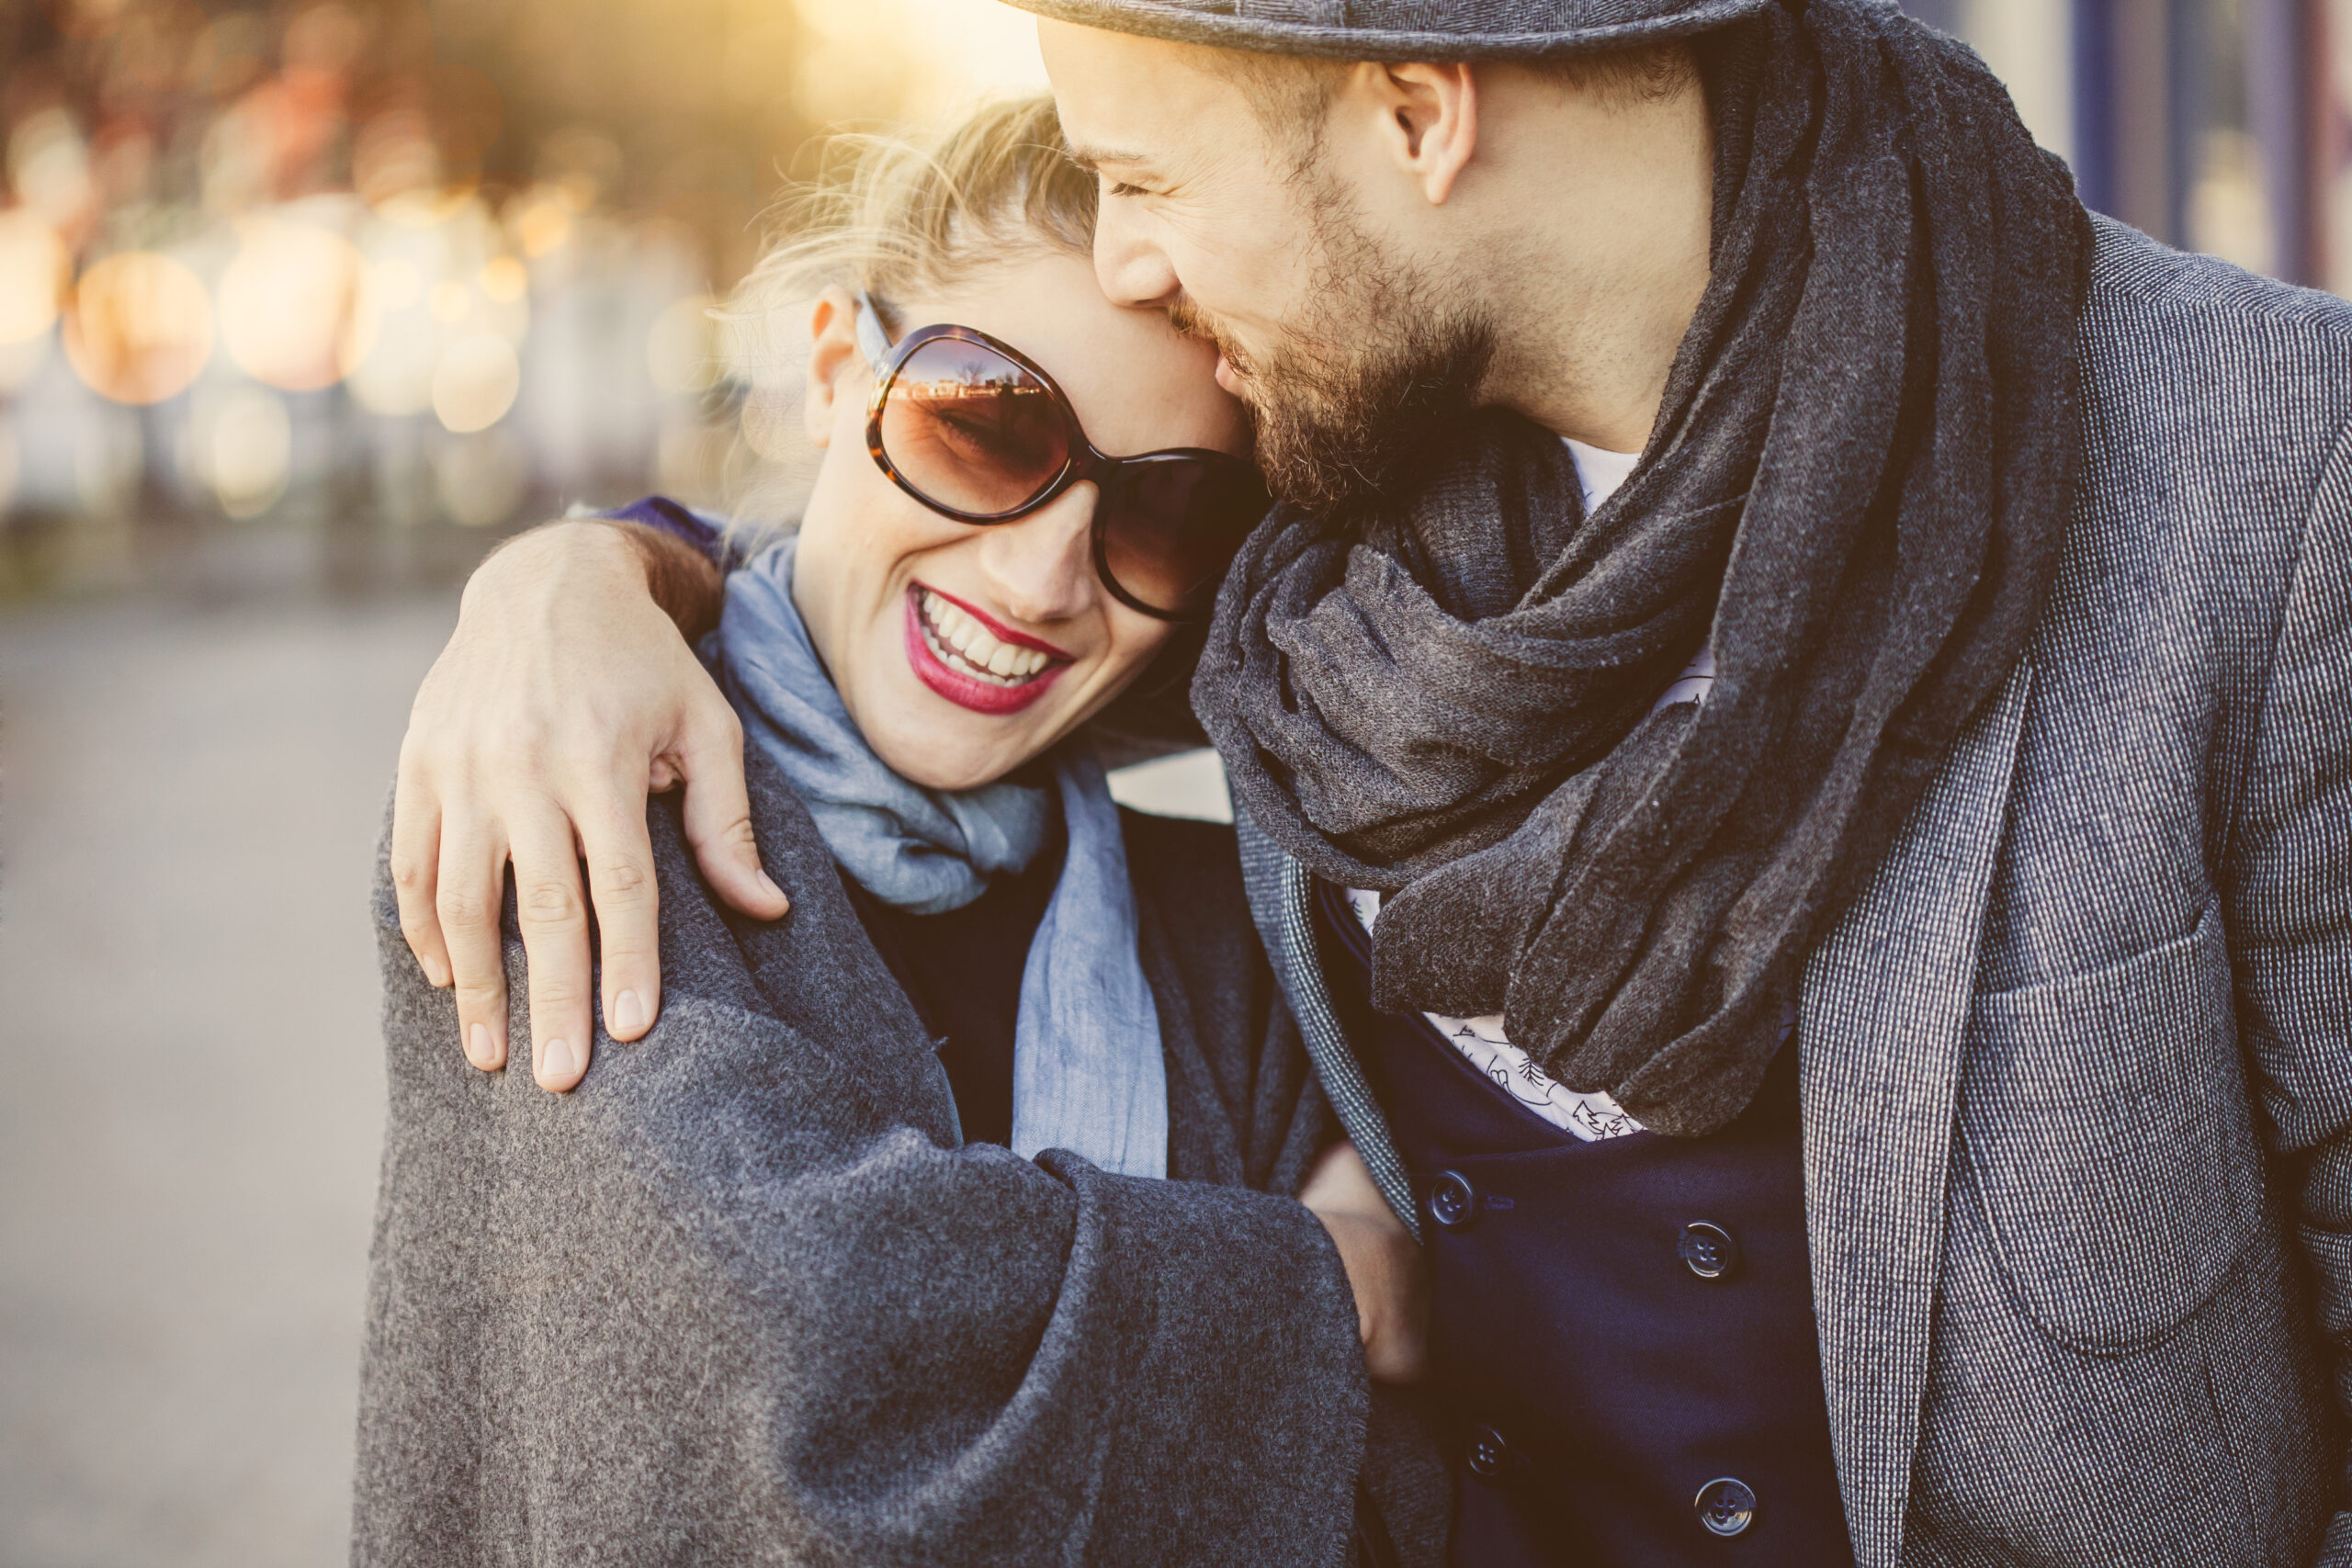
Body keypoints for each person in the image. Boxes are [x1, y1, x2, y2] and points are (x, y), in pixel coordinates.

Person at [390, 4, 2352, 1566]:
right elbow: (906, 581)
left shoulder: (2249, 463)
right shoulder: (1333, 520)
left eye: (1145, 169)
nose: (1136, 249)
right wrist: (580, 572)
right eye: (985, 429)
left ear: (1416, 118)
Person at [355, 98, 1447, 1567]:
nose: (1045, 574)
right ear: (831, 372)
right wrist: (1325, 1282)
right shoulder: (568, 791)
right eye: (988, 429)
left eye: (1168, 517)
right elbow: (806, 1352)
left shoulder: (1233, 941)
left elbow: (1402, 1487)